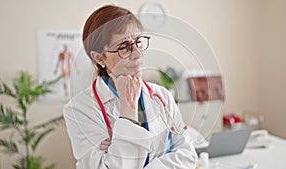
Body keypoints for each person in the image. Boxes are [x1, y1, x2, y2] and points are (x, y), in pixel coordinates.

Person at [63, 5, 197, 169]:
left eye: (138, 42)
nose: (137, 53)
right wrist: (128, 110)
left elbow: (188, 155)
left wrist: (122, 145)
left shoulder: (162, 96)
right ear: (99, 58)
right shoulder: (80, 110)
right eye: (123, 46)